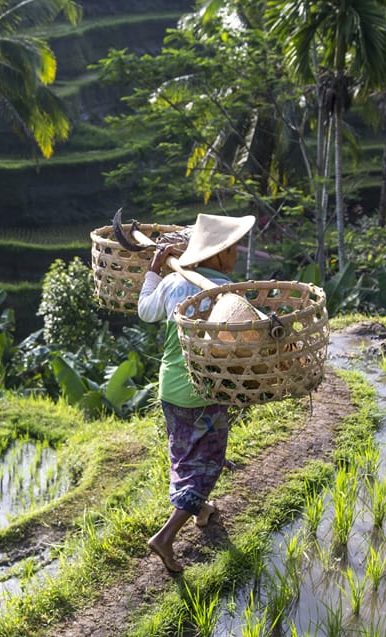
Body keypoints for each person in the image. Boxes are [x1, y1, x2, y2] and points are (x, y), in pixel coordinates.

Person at [137, 213, 256, 573]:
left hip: (170, 386)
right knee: (208, 464)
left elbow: (145, 311)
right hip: (205, 390)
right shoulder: (228, 295)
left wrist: (155, 272)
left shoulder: (174, 283)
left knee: (183, 454)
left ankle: (201, 510)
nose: (237, 253)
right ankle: (165, 537)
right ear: (218, 255)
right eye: (233, 248)